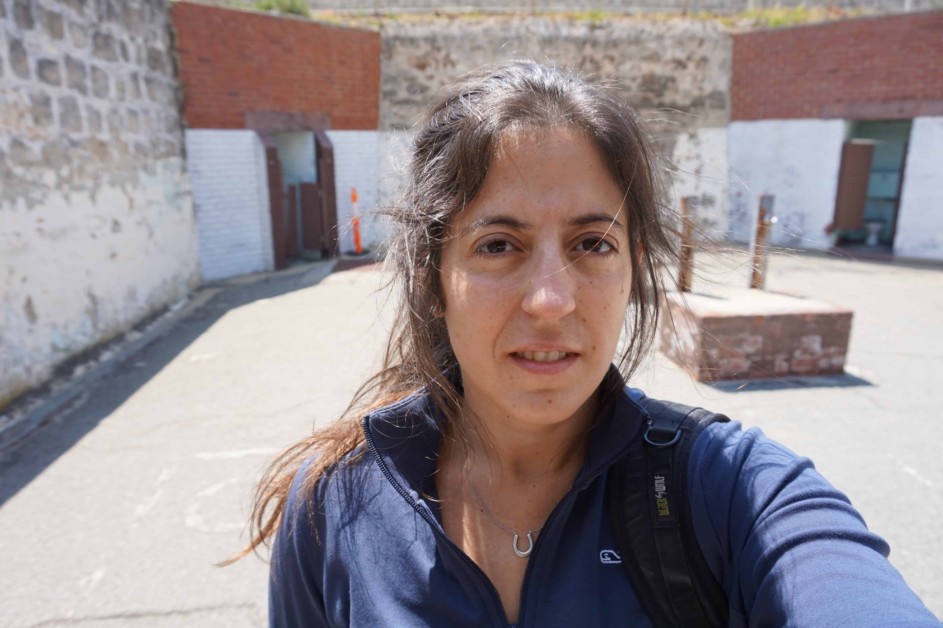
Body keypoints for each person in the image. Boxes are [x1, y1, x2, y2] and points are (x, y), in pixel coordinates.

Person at [242, 60, 940, 626]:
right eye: (497, 245)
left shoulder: (733, 493)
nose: (551, 300)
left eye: (590, 243)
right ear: (432, 278)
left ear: (633, 267)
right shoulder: (333, 505)